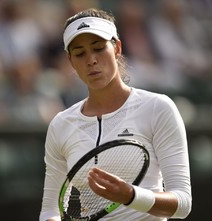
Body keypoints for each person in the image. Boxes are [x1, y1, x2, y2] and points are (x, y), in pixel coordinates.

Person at [39, 8, 192, 221]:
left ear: (117, 48)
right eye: (80, 53)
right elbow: (50, 210)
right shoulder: (60, 125)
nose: (91, 60)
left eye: (99, 48)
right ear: (71, 61)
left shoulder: (158, 108)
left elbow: (182, 203)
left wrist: (131, 196)